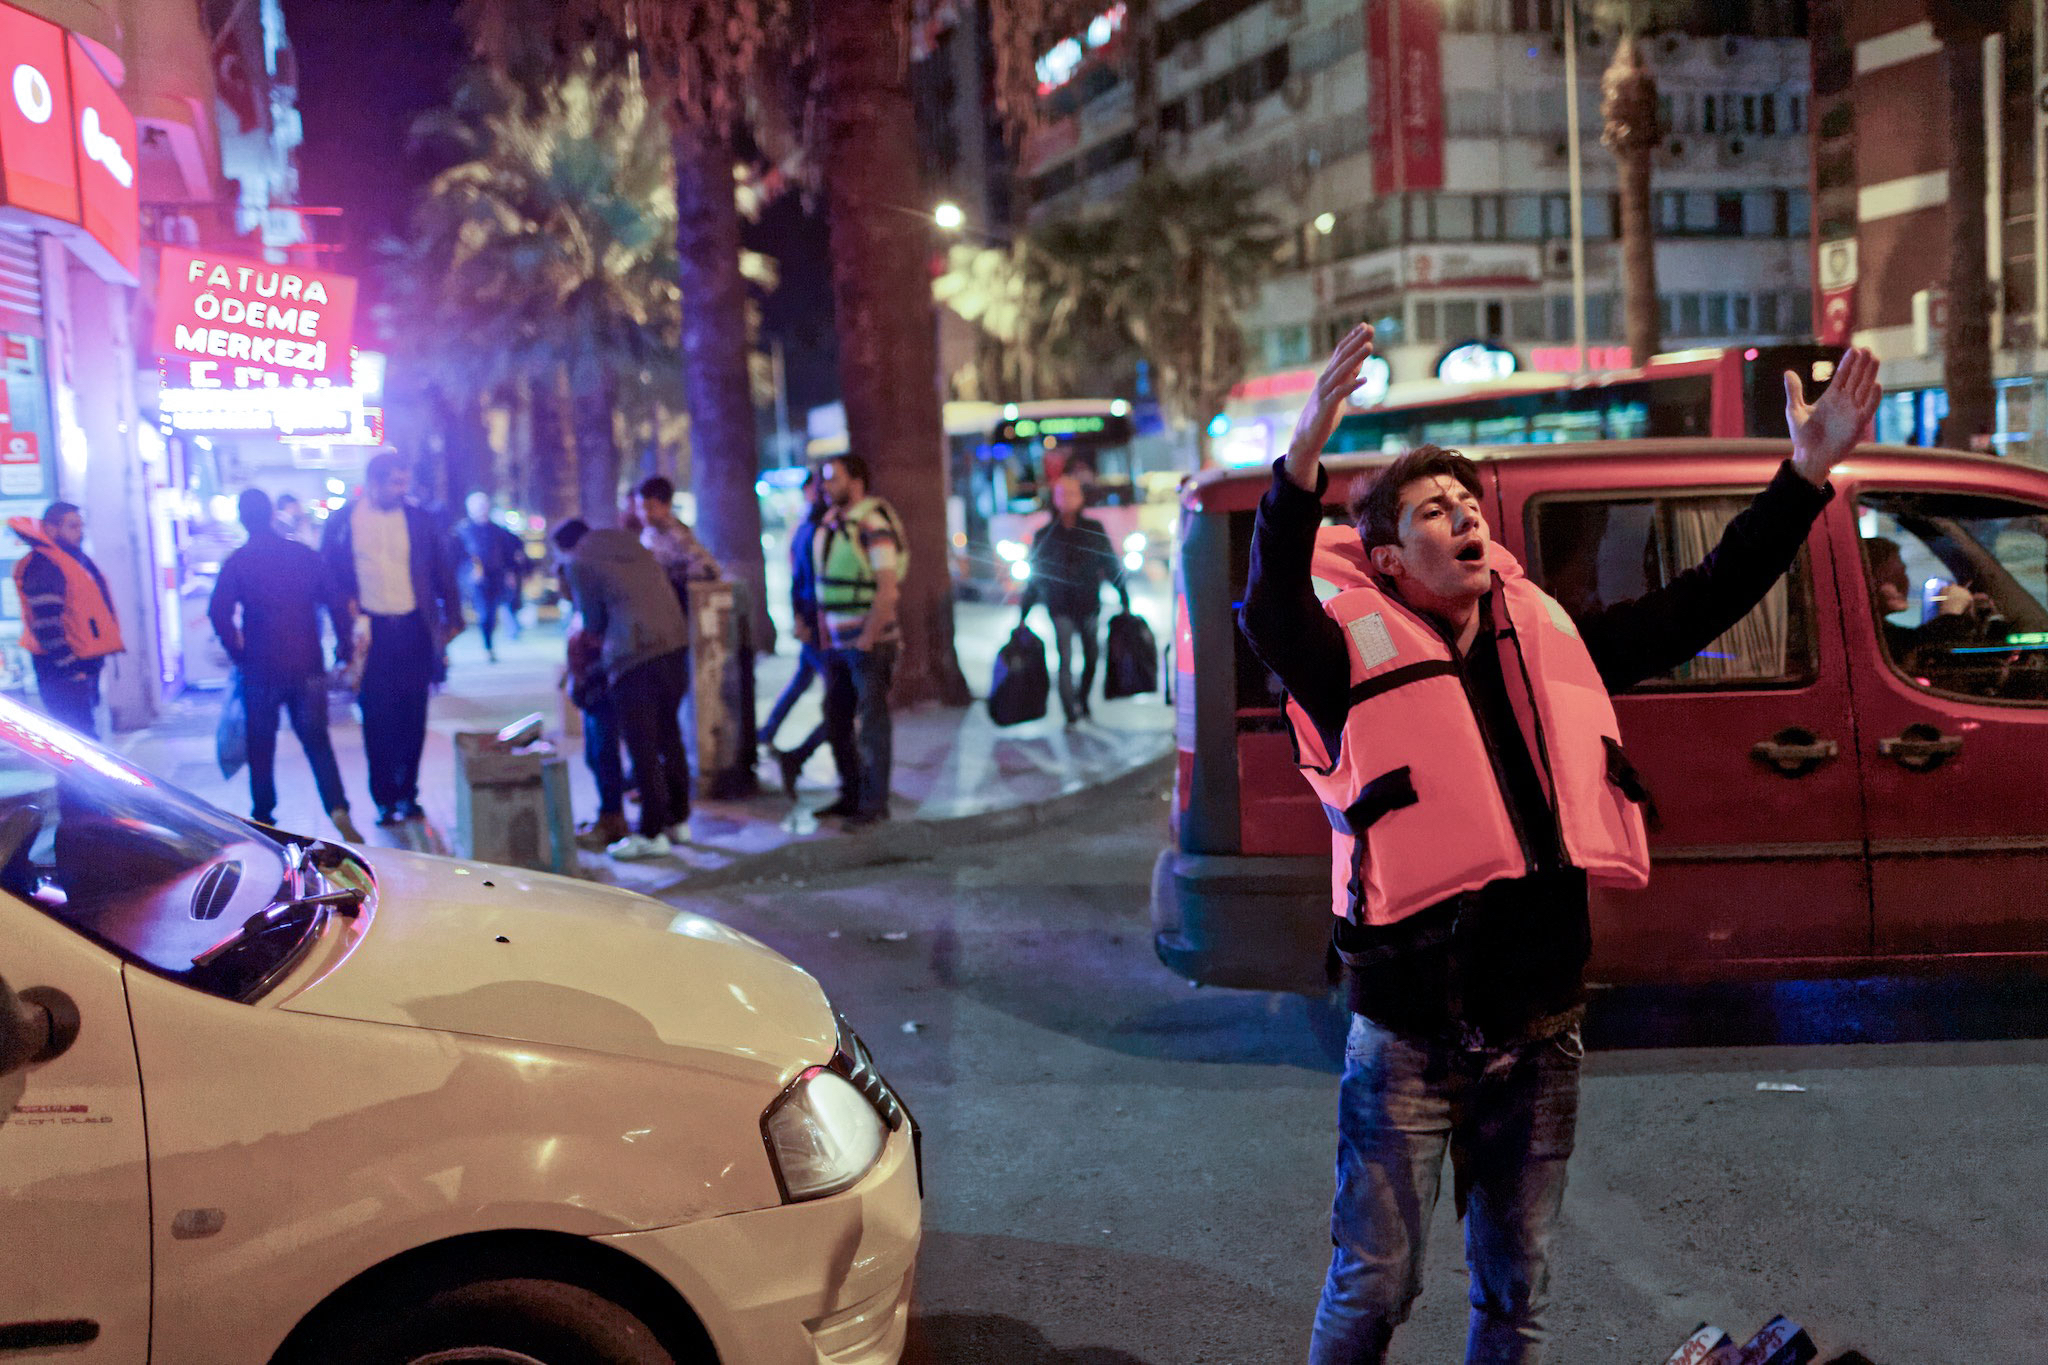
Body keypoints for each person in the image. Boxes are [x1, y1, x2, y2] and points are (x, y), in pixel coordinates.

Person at [1239, 324, 1882, 1365]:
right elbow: (1269, 603)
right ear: (1389, 559)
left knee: (1513, 1295)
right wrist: (1303, 450)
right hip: (1406, 1034)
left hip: (1539, 1025)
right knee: (1374, 1288)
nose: (1464, 522)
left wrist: (1803, 476)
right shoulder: (1336, 659)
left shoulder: (1547, 637)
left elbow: (1701, 599)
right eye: (1433, 512)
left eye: (1467, 507)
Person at [208, 489, 362, 842]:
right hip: (306, 664)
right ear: (272, 515)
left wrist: (237, 652)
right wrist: (343, 648)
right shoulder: (303, 555)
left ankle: (264, 817)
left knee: (260, 743)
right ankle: (338, 808)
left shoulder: (239, 561)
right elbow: (337, 603)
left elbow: (218, 611)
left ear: (243, 518)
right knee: (317, 741)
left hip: (260, 667)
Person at [320, 452, 462, 826]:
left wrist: (453, 617)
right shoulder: (344, 521)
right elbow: (328, 576)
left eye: (404, 483)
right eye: (395, 483)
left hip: (414, 628)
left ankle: (408, 794)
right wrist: (344, 611)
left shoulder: (420, 520)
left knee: (413, 714)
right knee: (378, 718)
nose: (402, 490)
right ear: (374, 482)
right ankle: (384, 798)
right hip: (372, 635)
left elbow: (443, 569)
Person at [552, 517, 692, 860]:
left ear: (567, 548)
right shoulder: (631, 546)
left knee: (641, 747)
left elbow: (593, 621)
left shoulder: (579, 562)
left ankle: (651, 832)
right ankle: (678, 820)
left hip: (633, 656)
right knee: (669, 737)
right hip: (674, 647)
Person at [812, 454, 905, 826]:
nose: (825, 486)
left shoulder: (872, 523)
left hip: (869, 644)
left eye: (832, 478)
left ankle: (873, 804)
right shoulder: (835, 523)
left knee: (872, 725)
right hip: (839, 645)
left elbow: (887, 589)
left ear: (856, 480)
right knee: (836, 719)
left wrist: (867, 638)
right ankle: (850, 795)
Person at [1018, 473, 1130, 724]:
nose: (1066, 499)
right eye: (1061, 494)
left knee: (1091, 656)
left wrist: (1124, 599)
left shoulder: (1093, 530)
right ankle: (1070, 712)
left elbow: (1110, 566)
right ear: (1054, 499)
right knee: (1065, 657)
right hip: (1059, 606)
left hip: (1089, 604)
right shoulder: (1045, 534)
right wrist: (1023, 614)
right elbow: (1035, 577)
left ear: (1080, 497)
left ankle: (1083, 699)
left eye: (1071, 493)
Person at [9, 501, 122, 738]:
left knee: (84, 739)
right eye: (72, 526)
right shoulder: (45, 565)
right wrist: (71, 668)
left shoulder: (70, 560)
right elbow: (46, 624)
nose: (79, 532)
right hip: (63, 672)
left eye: (81, 526)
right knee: (77, 742)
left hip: (80, 669)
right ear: (50, 529)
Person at [763, 470, 830, 797]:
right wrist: (803, 619)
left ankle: (768, 733)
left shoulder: (810, 525)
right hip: (821, 625)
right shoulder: (816, 526)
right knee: (844, 702)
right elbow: (804, 578)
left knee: (803, 680)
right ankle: (797, 753)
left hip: (814, 622)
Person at [453, 491, 528, 662]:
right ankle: (488, 646)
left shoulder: (498, 531)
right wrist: (469, 572)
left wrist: (510, 573)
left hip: (496, 577)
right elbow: (456, 558)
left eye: (483, 506)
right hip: (477, 581)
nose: (481, 510)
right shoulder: (463, 531)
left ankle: (490, 642)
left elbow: (509, 553)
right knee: (485, 613)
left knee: (492, 612)